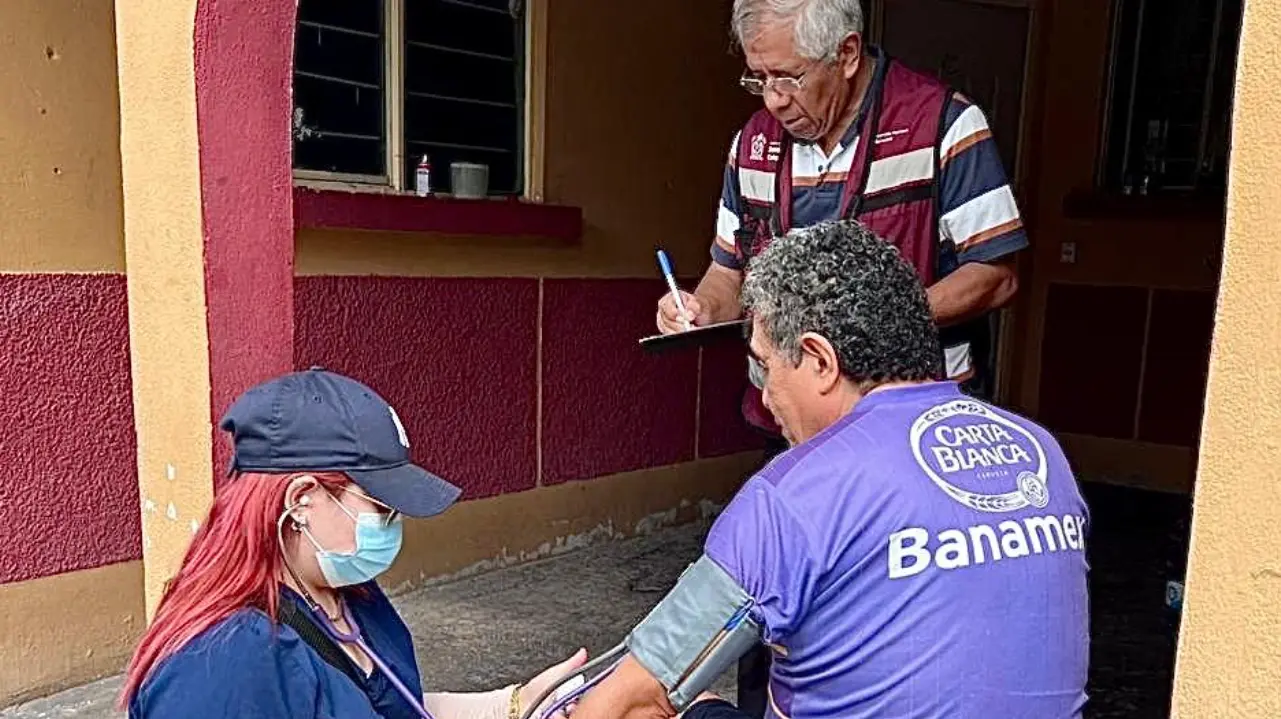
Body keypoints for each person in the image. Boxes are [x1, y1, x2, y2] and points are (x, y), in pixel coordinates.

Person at [656, 2, 1028, 710]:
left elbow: (996, 272)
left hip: (913, 446)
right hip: (790, 430)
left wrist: (868, 323)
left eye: (788, 78)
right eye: (757, 78)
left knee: (889, 615)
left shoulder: (943, 124)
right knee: (777, 612)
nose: (772, 100)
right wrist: (697, 306)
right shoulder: (753, 146)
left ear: (848, 53)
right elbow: (727, 272)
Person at [572, 220, 1089, 719]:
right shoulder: (1038, 450)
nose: (765, 396)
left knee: (669, 704)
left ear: (819, 359)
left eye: (764, 365)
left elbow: (623, 705)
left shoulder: (796, 492)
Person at [120, 368, 585, 718]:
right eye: (381, 506)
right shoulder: (221, 666)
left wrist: (518, 704)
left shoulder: (343, 592)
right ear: (302, 500)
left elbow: (395, 707)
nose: (393, 523)